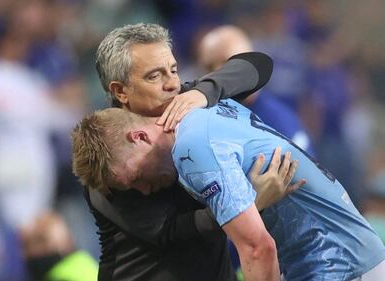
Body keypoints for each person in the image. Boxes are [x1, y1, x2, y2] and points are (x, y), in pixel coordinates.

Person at [74, 100, 385, 281]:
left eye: (136, 176)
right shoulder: (208, 110)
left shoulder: (191, 150)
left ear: (139, 137)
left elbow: (257, 249)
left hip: (339, 266)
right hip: (347, 254)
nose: (143, 191)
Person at [83, 23, 300, 281]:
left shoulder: (188, 102)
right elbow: (171, 232)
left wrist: (204, 92)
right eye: (154, 76)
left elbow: (257, 65)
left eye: (173, 70)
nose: (172, 83)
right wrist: (249, 201)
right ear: (120, 91)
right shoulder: (110, 155)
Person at [197, 25, 314, 155]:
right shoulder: (198, 119)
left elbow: (307, 173)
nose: (217, 72)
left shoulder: (280, 122)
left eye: (228, 63)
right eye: (209, 66)